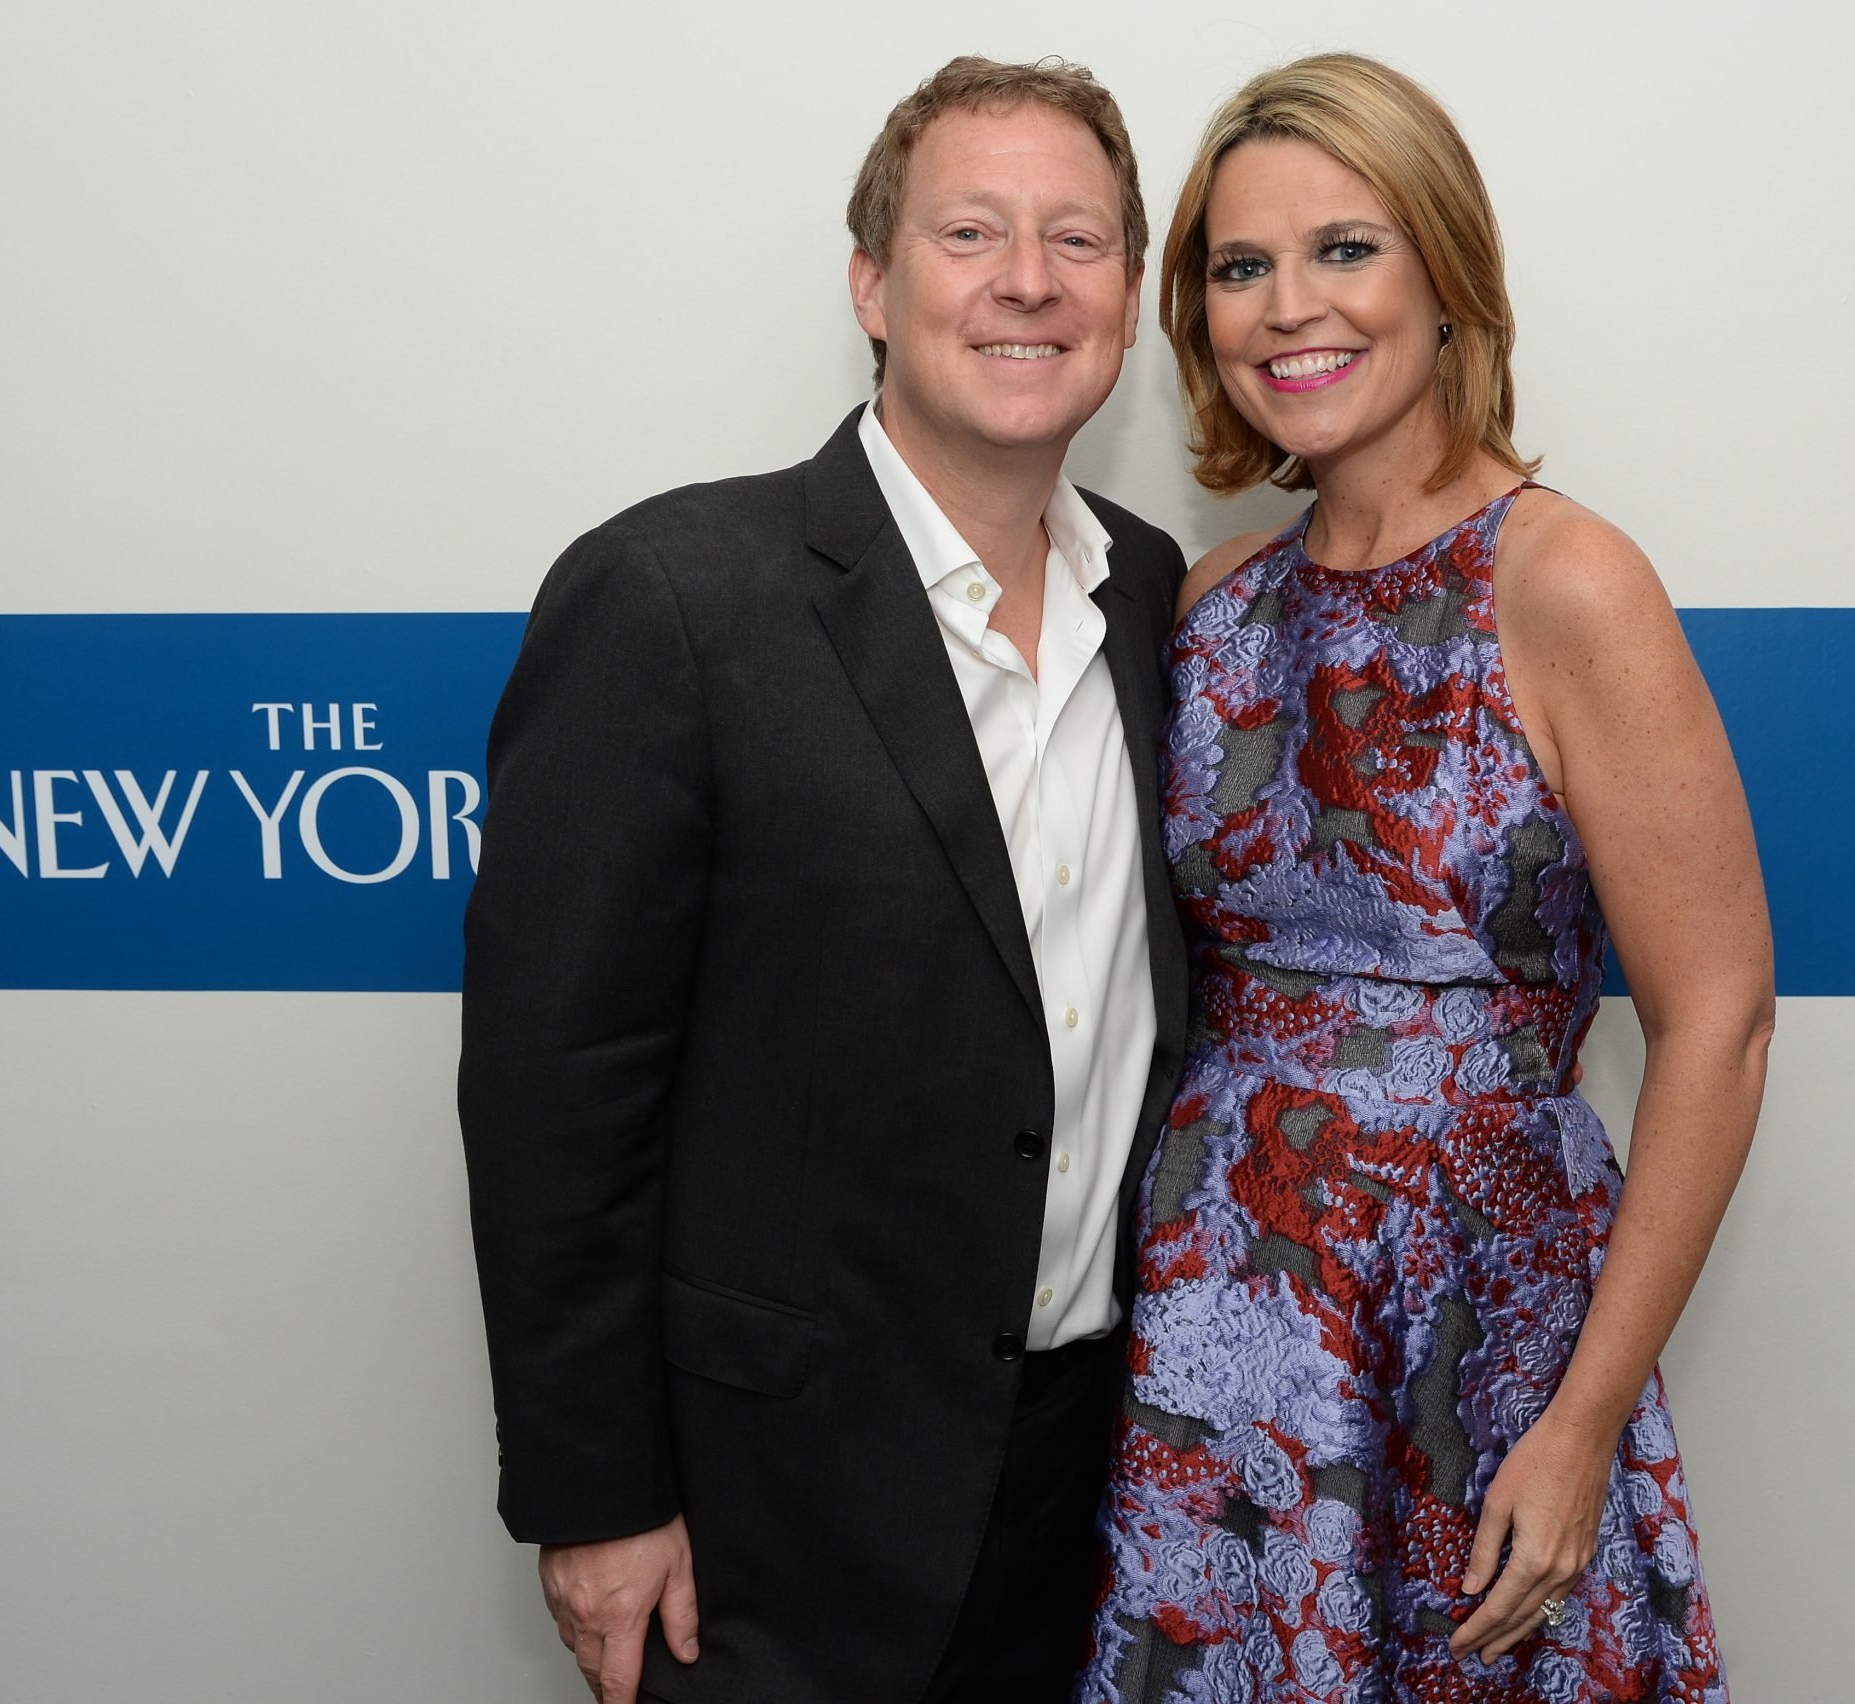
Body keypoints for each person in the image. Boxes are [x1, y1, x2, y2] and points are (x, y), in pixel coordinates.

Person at [458, 55, 1189, 1704]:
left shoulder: (1154, 598)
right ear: (872, 283)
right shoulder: (669, 598)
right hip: (769, 1521)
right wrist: (598, 1496)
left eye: (1078, 241)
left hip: (1098, 1485)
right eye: (972, 233)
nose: (1027, 281)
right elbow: (552, 1097)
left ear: (1129, 303)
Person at [1076, 54, 1772, 1703]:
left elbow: (1719, 1020)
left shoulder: (1568, 579)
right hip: (1219, 1352)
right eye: (1239, 268)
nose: (1287, 308)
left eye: (1344, 249)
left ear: (1447, 273)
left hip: (1485, 1338)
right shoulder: (1215, 605)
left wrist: (1586, 1419)